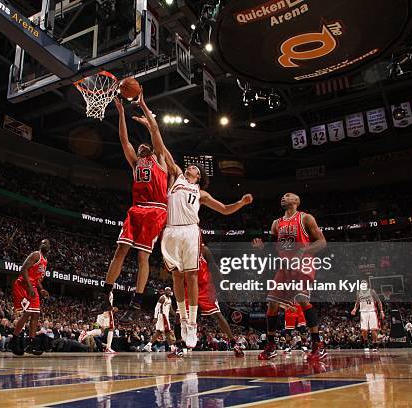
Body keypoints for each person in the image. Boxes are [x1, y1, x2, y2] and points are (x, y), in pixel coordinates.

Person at [136, 93, 252, 348]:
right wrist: (149, 121)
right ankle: (182, 316)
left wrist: (240, 204)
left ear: (199, 178)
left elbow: (223, 209)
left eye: (197, 171)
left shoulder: (200, 192)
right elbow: (161, 147)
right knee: (176, 278)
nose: (193, 169)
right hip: (170, 230)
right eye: (193, 167)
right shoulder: (176, 176)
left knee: (190, 276)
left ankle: (191, 324)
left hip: (190, 231)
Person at [95, 96, 169, 320]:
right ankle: (105, 293)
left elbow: (155, 130)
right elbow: (123, 138)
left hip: (155, 210)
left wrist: (145, 110)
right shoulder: (135, 162)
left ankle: (136, 301)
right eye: (140, 146)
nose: (142, 145)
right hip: (136, 209)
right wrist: (120, 113)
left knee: (142, 258)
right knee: (120, 250)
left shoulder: (160, 160)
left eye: (146, 145)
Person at [254, 192, 327, 361]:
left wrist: (304, 249)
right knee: (272, 303)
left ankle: (318, 345)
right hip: (285, 267)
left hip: (303, 263)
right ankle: (271, 346)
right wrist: (261, 248)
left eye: (287, 195)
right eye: (282, 196)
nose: (283, 197)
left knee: (302, 298)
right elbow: (272, 248)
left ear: (296, 201)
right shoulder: (276, 223)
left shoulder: (305, 218)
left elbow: (322, 242)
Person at [9, 239, 50, 356]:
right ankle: (13, 342)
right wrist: (30, 287)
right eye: (43, 243)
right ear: (40, 245)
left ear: (50, 248)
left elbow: (36, 279)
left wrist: (41, 289)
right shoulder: (36, 255)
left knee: (36, 314)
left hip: (32, 286)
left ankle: (30, 344)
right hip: (23, 285)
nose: (44, 244)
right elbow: (23, 270)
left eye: (46, 243)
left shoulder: (45, 261)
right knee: (26, 314)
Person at [351, 280, 385, 352]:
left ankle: (375, 344)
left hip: (372, 311)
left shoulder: (372, 291)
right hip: (363, 312)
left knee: (373, 329)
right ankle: (365, 343)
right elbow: (357, 302)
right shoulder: (359, 292)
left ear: (367, 285)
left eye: (364, 284)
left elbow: (379, 301)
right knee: (364, 330)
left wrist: (381, 311)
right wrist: (354, 309)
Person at [144, 287, 177, 354]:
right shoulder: (162, 298)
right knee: (167, 331)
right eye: (167, 290)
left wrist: (176, 315)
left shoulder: (170, 299)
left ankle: (148, 345)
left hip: (166, 316)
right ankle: (172, 347)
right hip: (162, 316)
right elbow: (156, 307)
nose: (168, 291)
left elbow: (171, 310)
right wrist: (155, 317)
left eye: (169, 290)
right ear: (165, 291)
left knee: (159, 332)